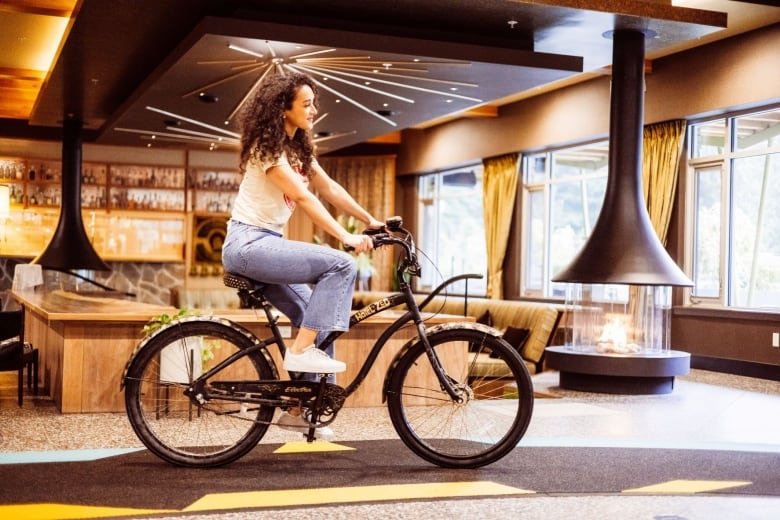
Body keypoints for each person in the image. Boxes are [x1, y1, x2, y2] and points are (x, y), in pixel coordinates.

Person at [221, 71, 384, 433]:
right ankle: (298, 353)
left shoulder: (299, 150)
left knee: (318, 325)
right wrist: (345, 236)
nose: (314, 111)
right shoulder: (268, 149)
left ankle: (297, 410)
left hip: (266, 244)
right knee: (341, 264)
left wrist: (370, 220)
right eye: (306, 104)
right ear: (284, 109)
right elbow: (304, 196)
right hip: (248, 244)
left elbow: (329, 188)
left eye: (314, 104)